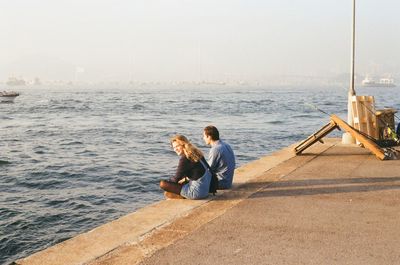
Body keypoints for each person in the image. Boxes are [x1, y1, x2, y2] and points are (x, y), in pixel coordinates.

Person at [160, 135, 212, 199]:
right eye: (174, 147)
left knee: (163, 184)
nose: (175, 149)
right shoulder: (197, 153)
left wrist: (168, 183)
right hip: (205, 190)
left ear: (183, 144)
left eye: (177, 146)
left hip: (196, 193)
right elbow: (199, 172)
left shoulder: (185, 158)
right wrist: (185, 179)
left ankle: (182, 196)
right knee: (180, 182)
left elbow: (176, 179)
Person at [203, 125, 235, 189]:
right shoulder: (226, 145)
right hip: (228, 181)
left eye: (204, 136)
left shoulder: (215, 149)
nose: (203, 138)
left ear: (209, 137)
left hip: (221, 183)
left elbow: (209, 169)